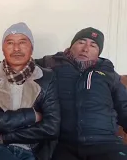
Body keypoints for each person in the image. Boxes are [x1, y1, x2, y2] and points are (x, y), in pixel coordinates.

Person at [36, 27, 127, 160]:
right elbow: (18, 65)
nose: (85, 49)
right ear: (72, 45)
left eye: (93, 45)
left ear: (98, 52)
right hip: (64, 144)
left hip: (105, 142)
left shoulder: (109, 74)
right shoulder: (51, 64)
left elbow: (124, 107)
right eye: (81, 42)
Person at [0, 22, 60, 160]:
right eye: (10, 43)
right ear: (3, 49)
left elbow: (51, 127)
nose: (16, 48)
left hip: (34, 149)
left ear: (31, 48)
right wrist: (31, 116)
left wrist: (7, 136)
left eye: (22, 42)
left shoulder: (47, 78)